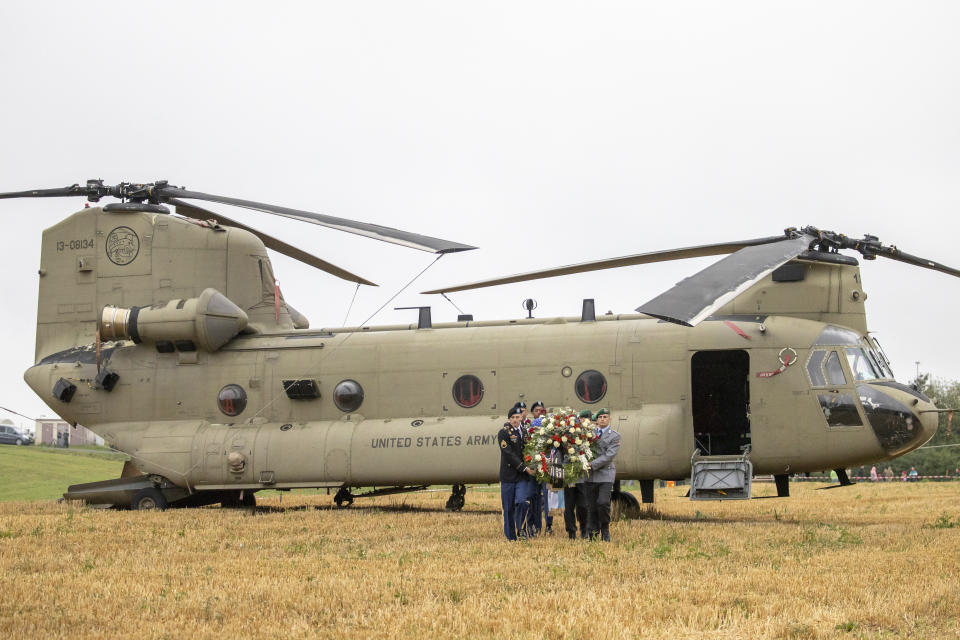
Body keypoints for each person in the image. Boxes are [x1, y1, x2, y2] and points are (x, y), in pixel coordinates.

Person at [583, 408, 621, 542]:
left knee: (603, 503)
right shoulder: (588, 434)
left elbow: (609, 455)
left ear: (609, 419)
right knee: (591, 505)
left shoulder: (615, 436)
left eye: (605, 417)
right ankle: (593, 532)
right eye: (600, 417)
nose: (603, 419)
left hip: (605, 473)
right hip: (590, 475)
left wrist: (592, 464)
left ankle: (605, 528)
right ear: (596, 419)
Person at [498, 406, 535, 540]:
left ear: (521, 418)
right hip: (509, 475)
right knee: (508, 509)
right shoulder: (503, 433)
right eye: (512, 417)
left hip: (521, 477)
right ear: (509, 419)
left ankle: (521, 529)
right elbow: (508, 454)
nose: (515, 420)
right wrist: (525, 468)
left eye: (517, 417)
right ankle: (511, 537)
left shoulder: (526, 432)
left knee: (522, 502)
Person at [564, 410, 592, 539]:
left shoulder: (585, 438)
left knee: (582, 505)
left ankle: (584, 528)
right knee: (569, 506)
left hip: (581, 477)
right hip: (568, 477)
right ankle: (571, 531)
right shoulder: (563, 440)